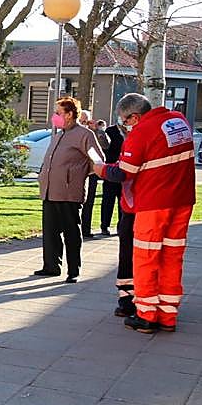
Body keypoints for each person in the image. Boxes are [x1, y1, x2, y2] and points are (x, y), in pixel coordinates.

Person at [95, 93, 196, 333]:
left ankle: (147, 315)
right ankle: (168, 315)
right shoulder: (178, 121)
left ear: (135, 116)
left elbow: (123, 173)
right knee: (172, 257)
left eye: (125, 120)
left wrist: (100, 169)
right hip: (182, 201)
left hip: (154, 204)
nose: (125, 125)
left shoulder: (141, 132)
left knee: (146, 258)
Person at [33, 97, 103, 284]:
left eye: (58, 113)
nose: (54, 116)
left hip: (69, 193)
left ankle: (73, 270)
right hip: (50, 191)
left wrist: (75, 175)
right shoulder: (59, 134)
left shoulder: (84, 135)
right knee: (50, 232)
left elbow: (97, 161)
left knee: (71, 233)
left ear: (70, 114)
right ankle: (51, 266)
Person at [98, 114, 126, 237]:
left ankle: (122, 226)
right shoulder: (111, 131)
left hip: (124, 171)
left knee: (122, 201)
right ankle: (105, 225)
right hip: (111, 170)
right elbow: (106, 147)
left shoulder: (131, 132)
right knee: (108, 200)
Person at [80, 109, 101, 238]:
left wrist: (97, 131)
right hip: (75, 174)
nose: (83, 124)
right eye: (81, 121)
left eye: (85, 121)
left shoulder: (92, 134)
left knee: (89, 202)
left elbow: (103, 148)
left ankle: (85, 229)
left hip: (90, 172)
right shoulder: (71, 133)